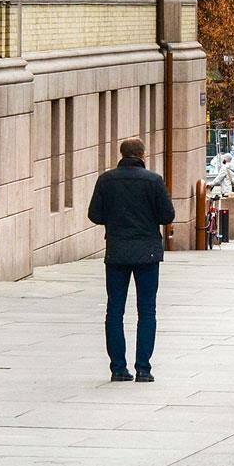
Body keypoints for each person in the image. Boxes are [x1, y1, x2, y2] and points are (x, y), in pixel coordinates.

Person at [85, 137, 174, 383]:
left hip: (117, 251)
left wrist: (115, 221)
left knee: (114, 310)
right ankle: (143, 369)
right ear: (143, 155)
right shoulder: (154, 181)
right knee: (147, 310)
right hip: (147, 252)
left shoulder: (106, 180)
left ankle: (118, 368)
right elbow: (167, 215)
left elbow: (94, 214)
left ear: (122, 154)